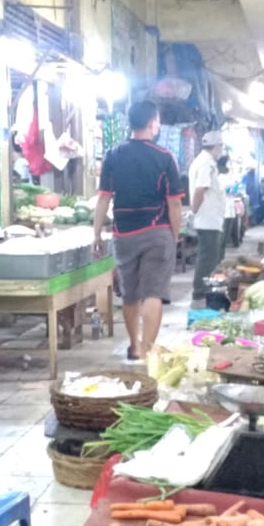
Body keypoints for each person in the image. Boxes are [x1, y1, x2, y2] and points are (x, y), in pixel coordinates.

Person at [94, 100, 183, 360]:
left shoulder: (112, 155)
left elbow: (103, 198)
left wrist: (96, 234)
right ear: (153, 123)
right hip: (157, 232)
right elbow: (174, 204)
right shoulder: (165, 157)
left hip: (124, 235)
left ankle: (134, 346)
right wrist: (174, 236)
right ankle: (147, 349)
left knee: (130, 293)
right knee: (154, 292)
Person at [188, 130, 226, 306]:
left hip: (210, 220)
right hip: (207, 220)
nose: (221, 150)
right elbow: (199, 191)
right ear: (217, 147)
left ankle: (205, 294)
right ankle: (199, 295)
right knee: (207, 259)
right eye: (221, 147)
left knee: (209, 257)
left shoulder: (204, 161)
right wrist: (193, 212)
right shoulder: (205, 163)